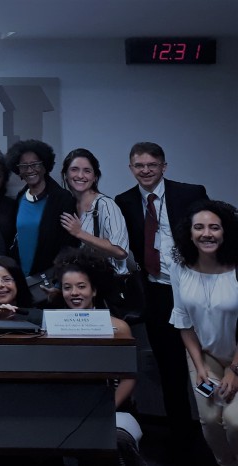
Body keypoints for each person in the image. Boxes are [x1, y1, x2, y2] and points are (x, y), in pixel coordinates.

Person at [115, 141, 209, 448]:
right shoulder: (124, 201)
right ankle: (183, 440)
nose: (145, 171)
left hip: (195, 289)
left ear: (163, 167)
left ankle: (218, 432)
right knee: (170, 370)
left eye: (151, 165)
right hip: (157, 293)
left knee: (207, 364)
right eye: (138, 166)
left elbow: (212, 233)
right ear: (131, 169)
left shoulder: (190, 193)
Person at [52, 248, 143, 464]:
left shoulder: (118, 328)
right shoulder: (53, 327)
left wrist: (107, 408)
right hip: (68, 410)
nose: (74, 293)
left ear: (93, 291)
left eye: (81, 287)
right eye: (68, 288)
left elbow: (129, 377)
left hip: (112, 408)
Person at [169, 200, 238, 465]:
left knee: (234, 422)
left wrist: (234, 369)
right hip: (204, 354)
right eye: (199, 227)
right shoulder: (180, 268)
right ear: (190, 232)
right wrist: (198, 366)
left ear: (226, 232)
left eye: (214, 227)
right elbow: (183, 321)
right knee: (209, 421)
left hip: (236, 356)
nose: (206, 233)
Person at [6, 139, 77, 277]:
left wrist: (57, 280)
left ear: (45, 165)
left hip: (50, 280)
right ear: (18, 169)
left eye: (35, 164)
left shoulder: (62, 198)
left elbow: (69, 245)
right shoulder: (20, 198)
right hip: (22, 279)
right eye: (24, 166)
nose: (30, 170)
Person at [59, 149, 130, 274]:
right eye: (74, 169)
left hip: (108, 285)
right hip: (82, 286)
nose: (80, 175)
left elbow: (120, 252)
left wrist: (79, 233)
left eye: (87, 171)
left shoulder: (106, 205)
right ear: (66, 174)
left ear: (95, 177)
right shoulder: (67, 205)